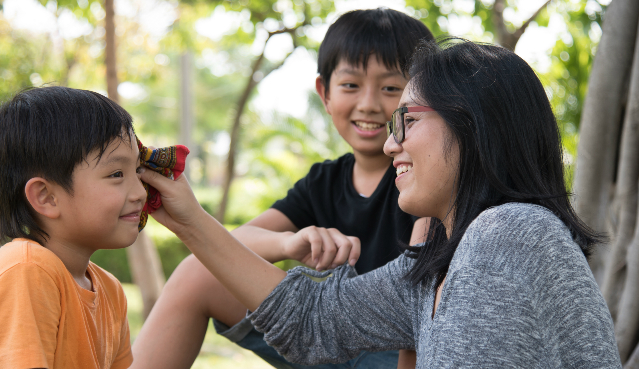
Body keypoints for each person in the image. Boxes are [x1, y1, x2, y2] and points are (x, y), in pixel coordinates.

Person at [138, 39, 622, 368]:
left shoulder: (508, 234)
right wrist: (188, 220)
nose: (391, 145)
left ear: (472, 124)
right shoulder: (438, 261)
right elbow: (315, 321)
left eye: (405, 120)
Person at [131, 8, 434, 369]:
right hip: (323, 332)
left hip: (396, 350)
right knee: (197, 273)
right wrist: (289, 243)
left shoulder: (428, 178)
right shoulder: (324, 181)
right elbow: (234, 244)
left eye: (390, 88)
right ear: (324, 93)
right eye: (351, 85)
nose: (368, 104)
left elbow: (420, 304)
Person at [0, 87, 144, 369]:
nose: (141, 192)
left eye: (139, 171)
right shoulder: (26, 270)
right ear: (46, 197)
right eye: (117, 174)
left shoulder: (110, 289)